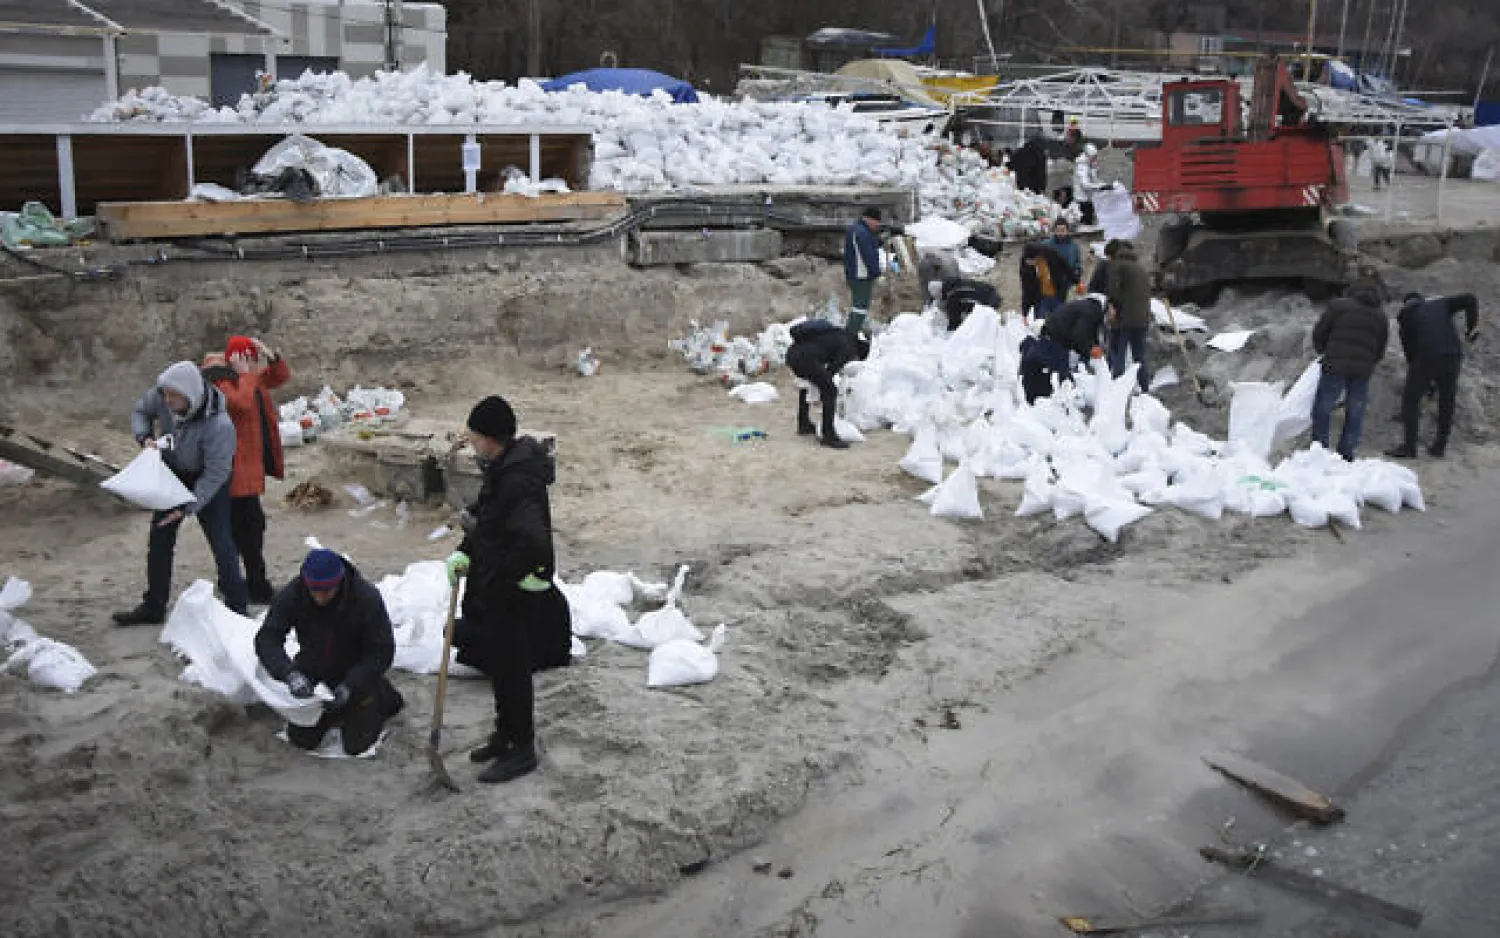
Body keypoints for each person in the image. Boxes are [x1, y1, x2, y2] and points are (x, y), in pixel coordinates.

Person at [445, 396, 566, 783]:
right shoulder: (501, 469)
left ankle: (523, 747)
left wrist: (510, 576)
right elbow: (488, 521)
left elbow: (532, 542)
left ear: (490, 439)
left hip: (511, 590)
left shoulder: (518, 479)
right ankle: (504, 734)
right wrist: (465, 552)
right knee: (499, 663)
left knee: (512, 668)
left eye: (474, 435)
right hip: (495, 583)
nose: (471, 441)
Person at [113, 362, 247, 625]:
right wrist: (144, 437)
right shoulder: (164, 395)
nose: (166, 400)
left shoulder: (219, 425)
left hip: (208, 480)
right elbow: (140, 411)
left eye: (173, 396)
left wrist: (187, 507)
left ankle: (237, 608)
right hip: (173, 473)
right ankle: (154, 606)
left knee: (221, 542)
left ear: (190, 395)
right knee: (159, 541)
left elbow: (217, 472)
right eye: (165, 394)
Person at [254, 549, 403, 756]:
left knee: (356, 746)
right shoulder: (293, 594)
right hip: (313, 669)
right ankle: (332, 711)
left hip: (356, 672)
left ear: (339, 582)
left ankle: (383, 694)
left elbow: (381, 651)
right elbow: (267, 639)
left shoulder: (365, 598)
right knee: (302, 740)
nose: (319, 597)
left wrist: (352, 684)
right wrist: (289, 673)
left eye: (326, 591)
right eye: (314, 590)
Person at [202, 335, 290, 605]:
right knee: (244, 532)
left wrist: (271, 356)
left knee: (249, 529)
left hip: (247, 469)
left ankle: (242, 582)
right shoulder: (218, 380)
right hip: (233, 471)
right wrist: (245, 375)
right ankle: (254, 586)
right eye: (250, 358)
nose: (253, 365)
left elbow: (278, 378)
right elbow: (239, 404)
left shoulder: (245, 377)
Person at [1387, 293, 1480, 459]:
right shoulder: (1440, 304)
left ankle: (1409, 448)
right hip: (1453, 355)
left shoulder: (1406, 315)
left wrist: (1423, 383)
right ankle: (1439, 447)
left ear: (1406, 303)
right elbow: (1470, 299)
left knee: (1410, 401)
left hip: (1427, 356)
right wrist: (1471, 328)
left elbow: (1411, 353)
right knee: (1447, 399)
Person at [1309, 280, 1389, 461]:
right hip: (1362, 370)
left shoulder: (1339, 306)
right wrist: (1368, 363)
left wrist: (1324, 350)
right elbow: (1380, 349)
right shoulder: (1380, 316)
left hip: (1335, 364)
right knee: (1355, 411)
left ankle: (1319, 449)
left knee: (1323, 406)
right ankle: (1346, 452)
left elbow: (1320, 330)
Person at [785, 318, 870, 449]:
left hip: (792, 354)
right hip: (806, 358)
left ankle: (804, 424)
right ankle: (828, 435)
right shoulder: (849, 348)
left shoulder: (840, 335)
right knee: (830, 390)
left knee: (808, 383)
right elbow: (832, 370)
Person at [1106, 242, 1153, 392]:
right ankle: (1145, 389)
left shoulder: (1117, 265)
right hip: (1142, 320)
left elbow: (1114, 289)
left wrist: (1112, 306)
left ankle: (1116, 391)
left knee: (1118, 354)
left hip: (1123, 318)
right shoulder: (1141, 269)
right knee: (1139, 356)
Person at [843, 207, 884, 335]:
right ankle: (850, 335)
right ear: (869, 219)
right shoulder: (862, 233)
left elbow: (869, 244)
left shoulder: (858, 230)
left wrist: (880, 241)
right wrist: (877, 273)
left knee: (858, 306)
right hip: (861, 275)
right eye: (876, 222)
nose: (877, 225)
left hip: (855, 274)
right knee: (860, 308)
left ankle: (854, 331)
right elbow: (868, 255)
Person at [1042, 294, 1108, 360]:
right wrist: (1090, 349)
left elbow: (1087, 332)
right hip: (1057, 336)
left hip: (1055, 332)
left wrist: (1092, 346)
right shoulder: (1092, 311)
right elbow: (1079, 334)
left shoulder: (1091, 307)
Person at [1020, 242, 1073, 318]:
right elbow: (1026, 289)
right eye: (1028, 261)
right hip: (1040, 298)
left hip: (1056, 293)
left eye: (1032, 261)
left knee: (1061, 318)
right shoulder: (1025, 268)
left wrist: (1076, 280)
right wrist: (1025, 313)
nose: (1030, 263)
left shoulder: (1050, 253)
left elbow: (1065, 265)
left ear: (1037, 257)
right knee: (1040, 322)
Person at [1073, 144, 1104, 227]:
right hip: (1082, 200)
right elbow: (1085, 185)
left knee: (1090, 222)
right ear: (1088, 156)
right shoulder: (1082, 166)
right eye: (1093, 157)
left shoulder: (1088, 165)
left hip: (1088, 199)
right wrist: (1100, 187)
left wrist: (1103, 185)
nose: (1095, 159)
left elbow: (1094, 180)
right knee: (1086, 225)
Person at [1048, 219, 1082, 285]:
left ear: (1067, 231)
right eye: (1058, 230)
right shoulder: (1048, 245)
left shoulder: (1073, 246)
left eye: (1063, 230)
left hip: (1068, 282)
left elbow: (1077, 262)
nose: (1060, 233)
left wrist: (1077, 271)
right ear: (1054, 231)